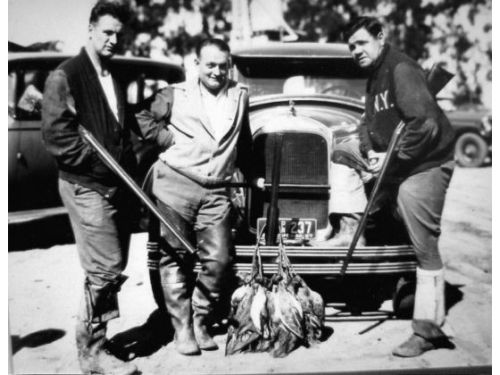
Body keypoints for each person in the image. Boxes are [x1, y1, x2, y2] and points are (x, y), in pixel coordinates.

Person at [325, 17, 456, 357]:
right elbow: (369, 123)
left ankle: (428, 331)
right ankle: (354, 239)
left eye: (361, 43)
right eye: (351, 46)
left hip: (425, 165)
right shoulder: (374, 78)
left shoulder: (401, 69)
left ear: (380, 37)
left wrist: (391, 158)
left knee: (424, 245)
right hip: (396, 164)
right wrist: (368, 150)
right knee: (345, 159)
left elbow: (424, 124)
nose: (356, 50)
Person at [136, 38, 262, 355]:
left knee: (220, 259)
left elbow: (242, 138)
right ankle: (182, 329)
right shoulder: (175, 93)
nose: (217, 71)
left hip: (217, 188)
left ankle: (200, 319)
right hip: (175, 181)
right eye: (210, 65)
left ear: (229, 65)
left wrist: (252, 172)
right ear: (197, 64)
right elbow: (140, 118)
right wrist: (166, 138)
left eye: (223, 65)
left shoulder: (240, 94)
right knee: (174, 256)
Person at [41, 2, 138, 374]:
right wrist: (103, 165)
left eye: (119, 34)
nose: (114, 39)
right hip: (86, 186)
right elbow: (58, 140)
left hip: (114, 186)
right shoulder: (65, 76)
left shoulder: (113, 76)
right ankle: (92, 353)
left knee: (111, 265)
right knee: (105, 267)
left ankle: (98, 337)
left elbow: (117, 130)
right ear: (91, 29)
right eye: (108, 32)